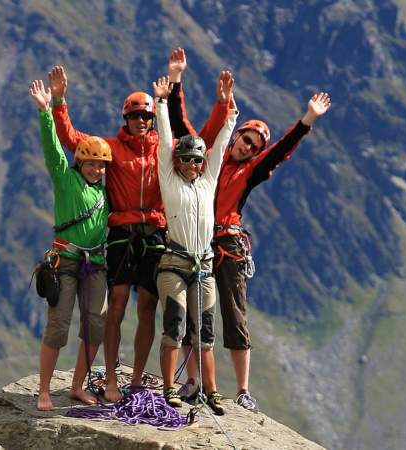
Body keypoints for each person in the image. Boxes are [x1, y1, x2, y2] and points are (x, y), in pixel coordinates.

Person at [170, 59, 333, 411]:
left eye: (254, 146)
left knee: (234, 313)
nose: (248, 147)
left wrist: (307, 121)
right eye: (246, 139)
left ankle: (243, 390)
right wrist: (177, 82)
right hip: (196, 240)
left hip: (226, 243)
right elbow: (182, 127)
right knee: (190, 312)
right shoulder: (208, 156)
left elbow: (280, 152)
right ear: (237, 134)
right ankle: (193, 380)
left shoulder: (249, 172)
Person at [47, 65, 166, 402]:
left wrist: (177, 90)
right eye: (135, 116)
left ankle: (138, 379)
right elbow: (71, 138)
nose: (141, 121)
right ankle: (112, 378)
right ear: (125, 119)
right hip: (121, 235)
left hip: (154, 233)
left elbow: (196, 136)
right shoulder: (111, 149)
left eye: (146, 116)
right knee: (115, 305)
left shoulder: (164, 149)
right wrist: (59, 101)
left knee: (147, 305)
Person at [150, 73, 237, 415]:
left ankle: (211, 391)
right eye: (185, 159)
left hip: (203, 267)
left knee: (205, 333)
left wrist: (229, 106)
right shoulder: (168, 179)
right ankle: (170, 387)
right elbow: (165, 140)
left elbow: (223, 145)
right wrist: (160, 103)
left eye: (197, 160)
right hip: (174, 264)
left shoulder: (208, 182)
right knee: (175, 325)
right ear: (177, 161)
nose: (192, 164)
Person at [28, 79, 111, 411]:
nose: (96, 168)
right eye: (91, 162)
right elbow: (52, 150)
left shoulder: (106, 194)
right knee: (59, 325)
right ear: (80, 162)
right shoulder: (66, 179)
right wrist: (47, 111)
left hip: (95, 264)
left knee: (95, 324)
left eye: (101, 164)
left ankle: (77, 385)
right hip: (66, 261)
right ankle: (44, 390)